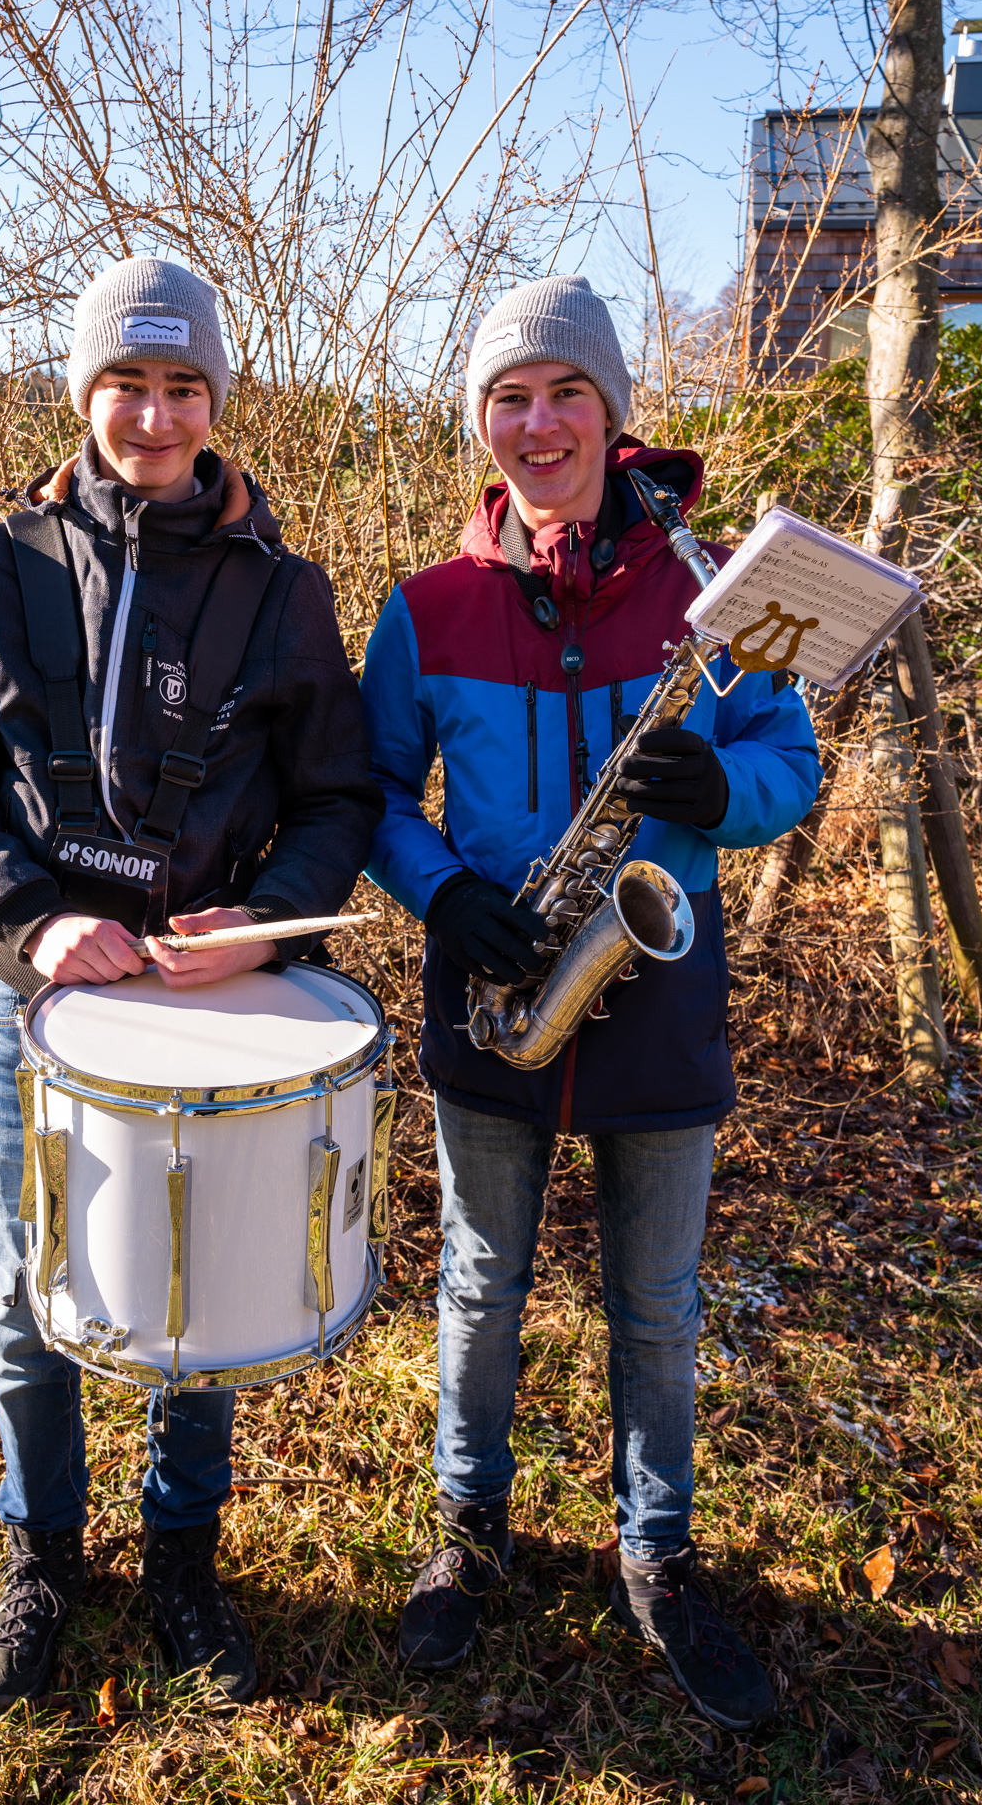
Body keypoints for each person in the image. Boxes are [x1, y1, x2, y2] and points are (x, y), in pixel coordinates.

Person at [0, 256, 382, 1718]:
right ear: (84, 393)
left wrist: (268, 926)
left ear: (215, 401)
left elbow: (339, 796)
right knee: (23, 1287)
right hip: (32, 1010)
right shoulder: (2, 565)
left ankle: (183, 1558)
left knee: (197, 1296)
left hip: (209, 1009)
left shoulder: (283, 591)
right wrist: (32, 918)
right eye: (126, 383)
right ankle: (40, 1556)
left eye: (182, 387)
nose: (154, 416)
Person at [358, 274, 821, 1732]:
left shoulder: (720, 588)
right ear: (481, 423)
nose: (539, 420)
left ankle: (656, 1549)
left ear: (613, 412)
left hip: (659, 982)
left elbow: (792, 762)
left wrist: (723, 788)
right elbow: (373, 795)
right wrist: (442, 892)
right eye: (509, 396)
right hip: (492, 984)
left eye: (567, 391)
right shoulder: (424, 608)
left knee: (658, 1302)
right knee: (479, 1282)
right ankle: (469, 1526)